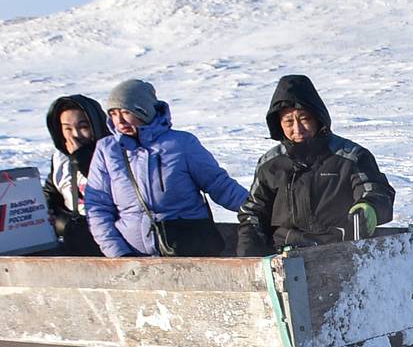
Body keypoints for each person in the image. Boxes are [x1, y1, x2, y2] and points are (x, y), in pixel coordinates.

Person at [83, 79, 248, 257]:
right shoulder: (106, 150)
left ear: (144, 111)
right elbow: (98, 207)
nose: (119, 120)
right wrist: (118, 253)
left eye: (126, 112)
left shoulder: (181, 143)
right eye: (113, 114)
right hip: (134, 257)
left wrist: (258, 209)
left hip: (189, 250)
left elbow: (219, 185)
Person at [236, 75, 395, 255]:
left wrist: (369, 208)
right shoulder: (270, 164)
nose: (297, 129)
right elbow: (253, 213)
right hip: (283, 256)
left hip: (338, 252)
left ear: (318, 118)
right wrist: (248, 260)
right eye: (288, 121)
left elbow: (377, 192)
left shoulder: (351, 157)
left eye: (304, 119)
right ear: (279, 124)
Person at [42, 94, 110, 255]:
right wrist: (51, 213)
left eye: (83, 127)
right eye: (68, 128)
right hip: (75, 238)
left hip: (109, 240)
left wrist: (81, 158)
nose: (75, 135)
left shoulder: (114, 153)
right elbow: (51, 194)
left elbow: (112, 189)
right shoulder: (60, 159)